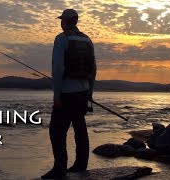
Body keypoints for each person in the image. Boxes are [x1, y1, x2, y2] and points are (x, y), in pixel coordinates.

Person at [41, 9, 97, 179]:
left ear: (64, 21)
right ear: (76, 21)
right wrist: (89, 93)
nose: (61, 23)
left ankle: (60, 168)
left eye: (61, 20)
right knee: (80, 129)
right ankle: (81, 165)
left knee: (57, 131)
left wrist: (56, 95)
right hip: (82, 93)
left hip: (66, 93)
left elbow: (58, 69)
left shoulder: (61, 38)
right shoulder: (88, 40)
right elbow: (93, 69)